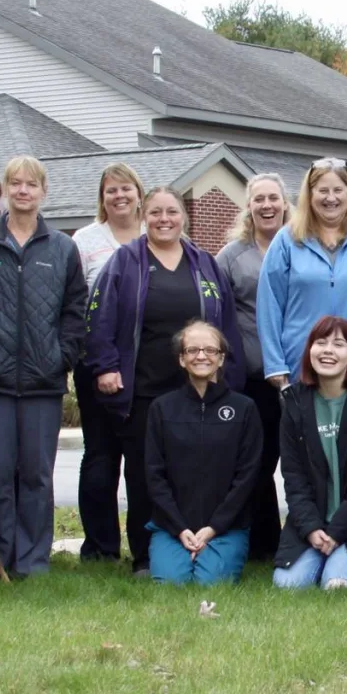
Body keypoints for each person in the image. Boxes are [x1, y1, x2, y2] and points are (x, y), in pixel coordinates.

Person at [86, 187, 244, 575]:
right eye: (155, 212)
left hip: (198, 389)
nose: (164, 219)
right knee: (145, 474)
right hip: (143, 391)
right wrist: (106, 365)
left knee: (193, 473)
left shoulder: (204, 263)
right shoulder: (126, 261)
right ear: (144, 215)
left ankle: (198, 544)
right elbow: (99, 318)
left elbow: (226, 325)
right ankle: (144, 554)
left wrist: (232, 377)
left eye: (171, 211)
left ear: (183, 217)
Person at [0, 155, 87, 578]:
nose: (23, 190)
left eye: (32, 183)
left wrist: (60, 356)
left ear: (43, 191)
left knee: (36, 477)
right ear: (4, 191)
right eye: (15, 183)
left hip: (43, 383)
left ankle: (32, 562)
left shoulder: (62, 248)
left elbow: (75, 310)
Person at [272, 316, 347, 591]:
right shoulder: (294, 403)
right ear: (309, 350)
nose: (328, 350)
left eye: (338, 344)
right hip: (312, 521)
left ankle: (340, 562)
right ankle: (320, 552)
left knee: (338, 586)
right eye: (321, 342)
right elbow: (292, 477)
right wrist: (311, 528)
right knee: (288, 586)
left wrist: (337, 530)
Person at [258, 158, 347, 389]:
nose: (331, 198)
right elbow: (269, 305)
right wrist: (275, 364)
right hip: (301, 367)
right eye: (323, 191)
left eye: (338, 190)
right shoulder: (286, 241)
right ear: (310, 194)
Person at [143, 321, 262, 586]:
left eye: (210, 350)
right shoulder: (161, 409)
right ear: (182, 359)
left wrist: (213, 528)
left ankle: (212, 549)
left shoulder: (244, 409)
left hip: (225, 527)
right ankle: (180, 548)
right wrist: (180, 528)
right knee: (172, 583)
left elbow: (247, 477)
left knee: (210, 583)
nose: (201, 356)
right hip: (172, 527)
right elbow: (154, 475)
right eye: (192, 350)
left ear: (221, 359)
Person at [70, 163, 144, 563]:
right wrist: (96, 360)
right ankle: (99, 548)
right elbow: (75, 302)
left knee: (142, 460)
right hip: (97, 363)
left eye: (126, 189)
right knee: (100, 456)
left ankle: (143, 546)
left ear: (139, 193)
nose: (119, 196)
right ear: (102, 197)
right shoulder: (85, 240)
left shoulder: (157, 234)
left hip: (146, 367)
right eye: (111, 190)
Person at [217, 172, 292, 562]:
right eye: (259, 199)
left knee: (300, 461)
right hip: (253, 378)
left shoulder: (301, 245)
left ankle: (302, 539)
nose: (266, 206)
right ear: (248, 206)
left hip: (299, 375)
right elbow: (217, 313)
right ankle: (263, 543)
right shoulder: (232, 256)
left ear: (285, 202)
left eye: (273, 198)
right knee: (258, 463)